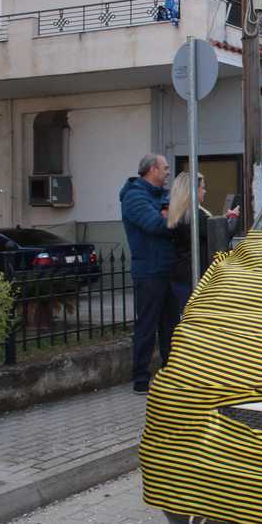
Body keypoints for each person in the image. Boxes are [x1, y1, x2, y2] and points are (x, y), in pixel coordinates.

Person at [120, 154, 179, 395]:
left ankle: (169, 373)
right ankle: (141, 379)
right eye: (165, 168)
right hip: (149, 272)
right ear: (153, 169)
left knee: (171, 327)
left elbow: (173, 220)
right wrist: (169, 217)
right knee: (147, 326)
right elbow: (157, 225)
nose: (168, 172)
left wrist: (170, 216)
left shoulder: (161, 195)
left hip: (167, 269)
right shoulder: (134, 197)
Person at [168, 172, 240, 310]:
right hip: (195, 277)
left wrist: (223, 218)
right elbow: (219, 237)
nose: (205, 191)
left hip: (181, 276)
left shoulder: (180, 214)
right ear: (193, 191)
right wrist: (234, 218)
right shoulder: (196, 216)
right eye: (202, 187)